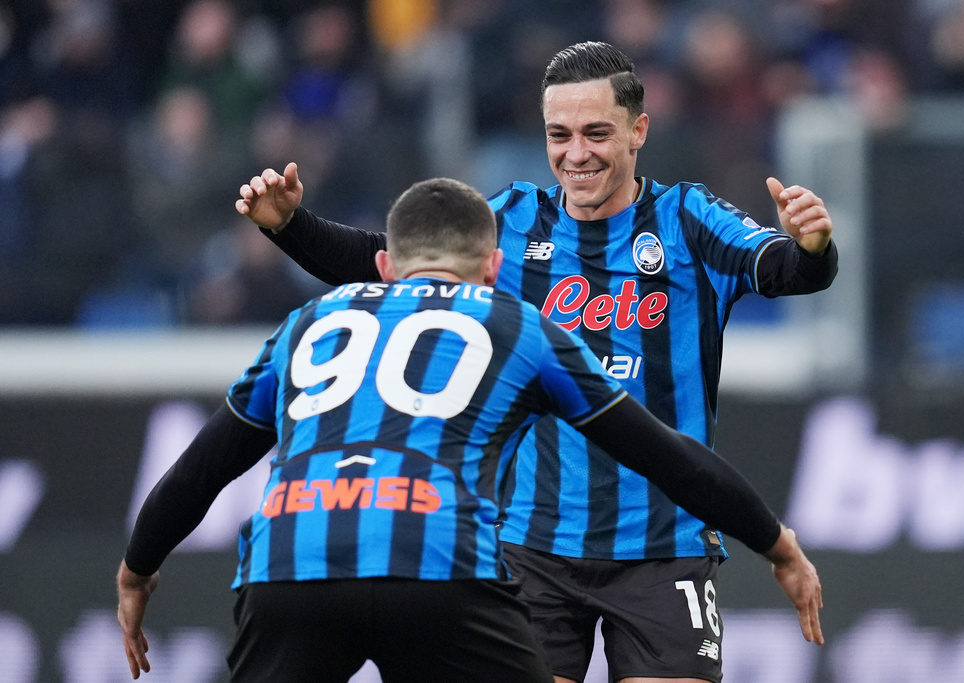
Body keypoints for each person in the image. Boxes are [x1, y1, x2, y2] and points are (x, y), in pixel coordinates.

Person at [235, 41, 835, 683]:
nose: (576, 154)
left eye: (597, 133)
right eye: (560, 135)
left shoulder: (689, 219)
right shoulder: (513, 221)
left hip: (664, 545)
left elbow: (784, 271)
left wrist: (812, 244)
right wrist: (291, 226)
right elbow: (390, 261)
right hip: (532, 545)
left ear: (639, 131)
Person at [118, 177, 821, 682]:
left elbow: (202, 467)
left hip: (290, 564)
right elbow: (671, 458)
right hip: (437, 560)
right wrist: (776, 541)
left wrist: (138, 566)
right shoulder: (516, 323)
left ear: (388, 268)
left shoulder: (310, 321)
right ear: (492, 272)